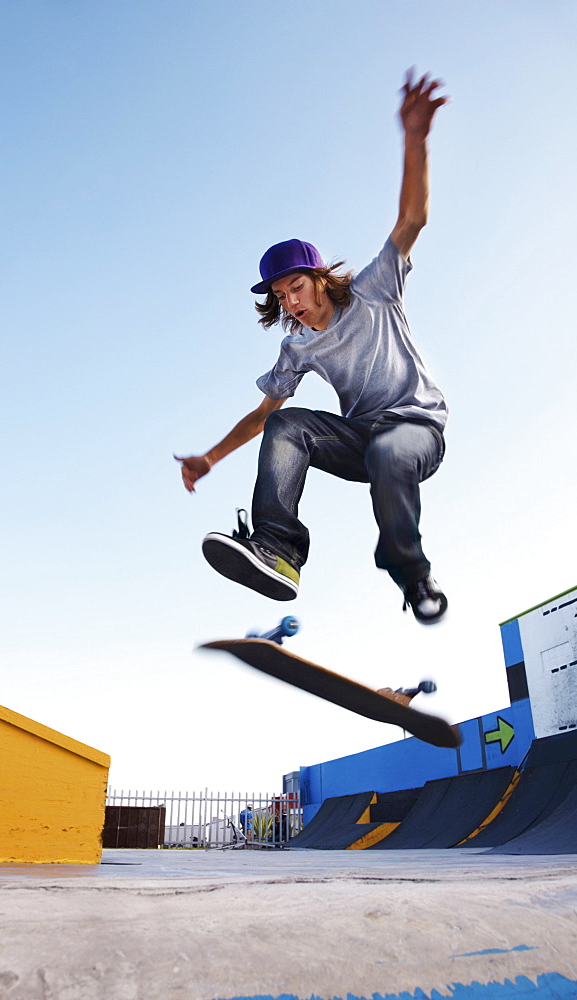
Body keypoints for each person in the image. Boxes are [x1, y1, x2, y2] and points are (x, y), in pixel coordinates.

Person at [176, 70, 449, 624]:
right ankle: (278, 549)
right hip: (359, 439)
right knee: (289, 424)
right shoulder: (298, 347)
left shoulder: (375, 290)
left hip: (418, 431)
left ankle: (411, 571)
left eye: (296, 287)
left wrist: (414, 139)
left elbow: (412, 218)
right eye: (281, 296)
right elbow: (262, 417)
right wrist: (209, 457)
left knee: (389, 451)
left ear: (320, 277)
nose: (292, 303)